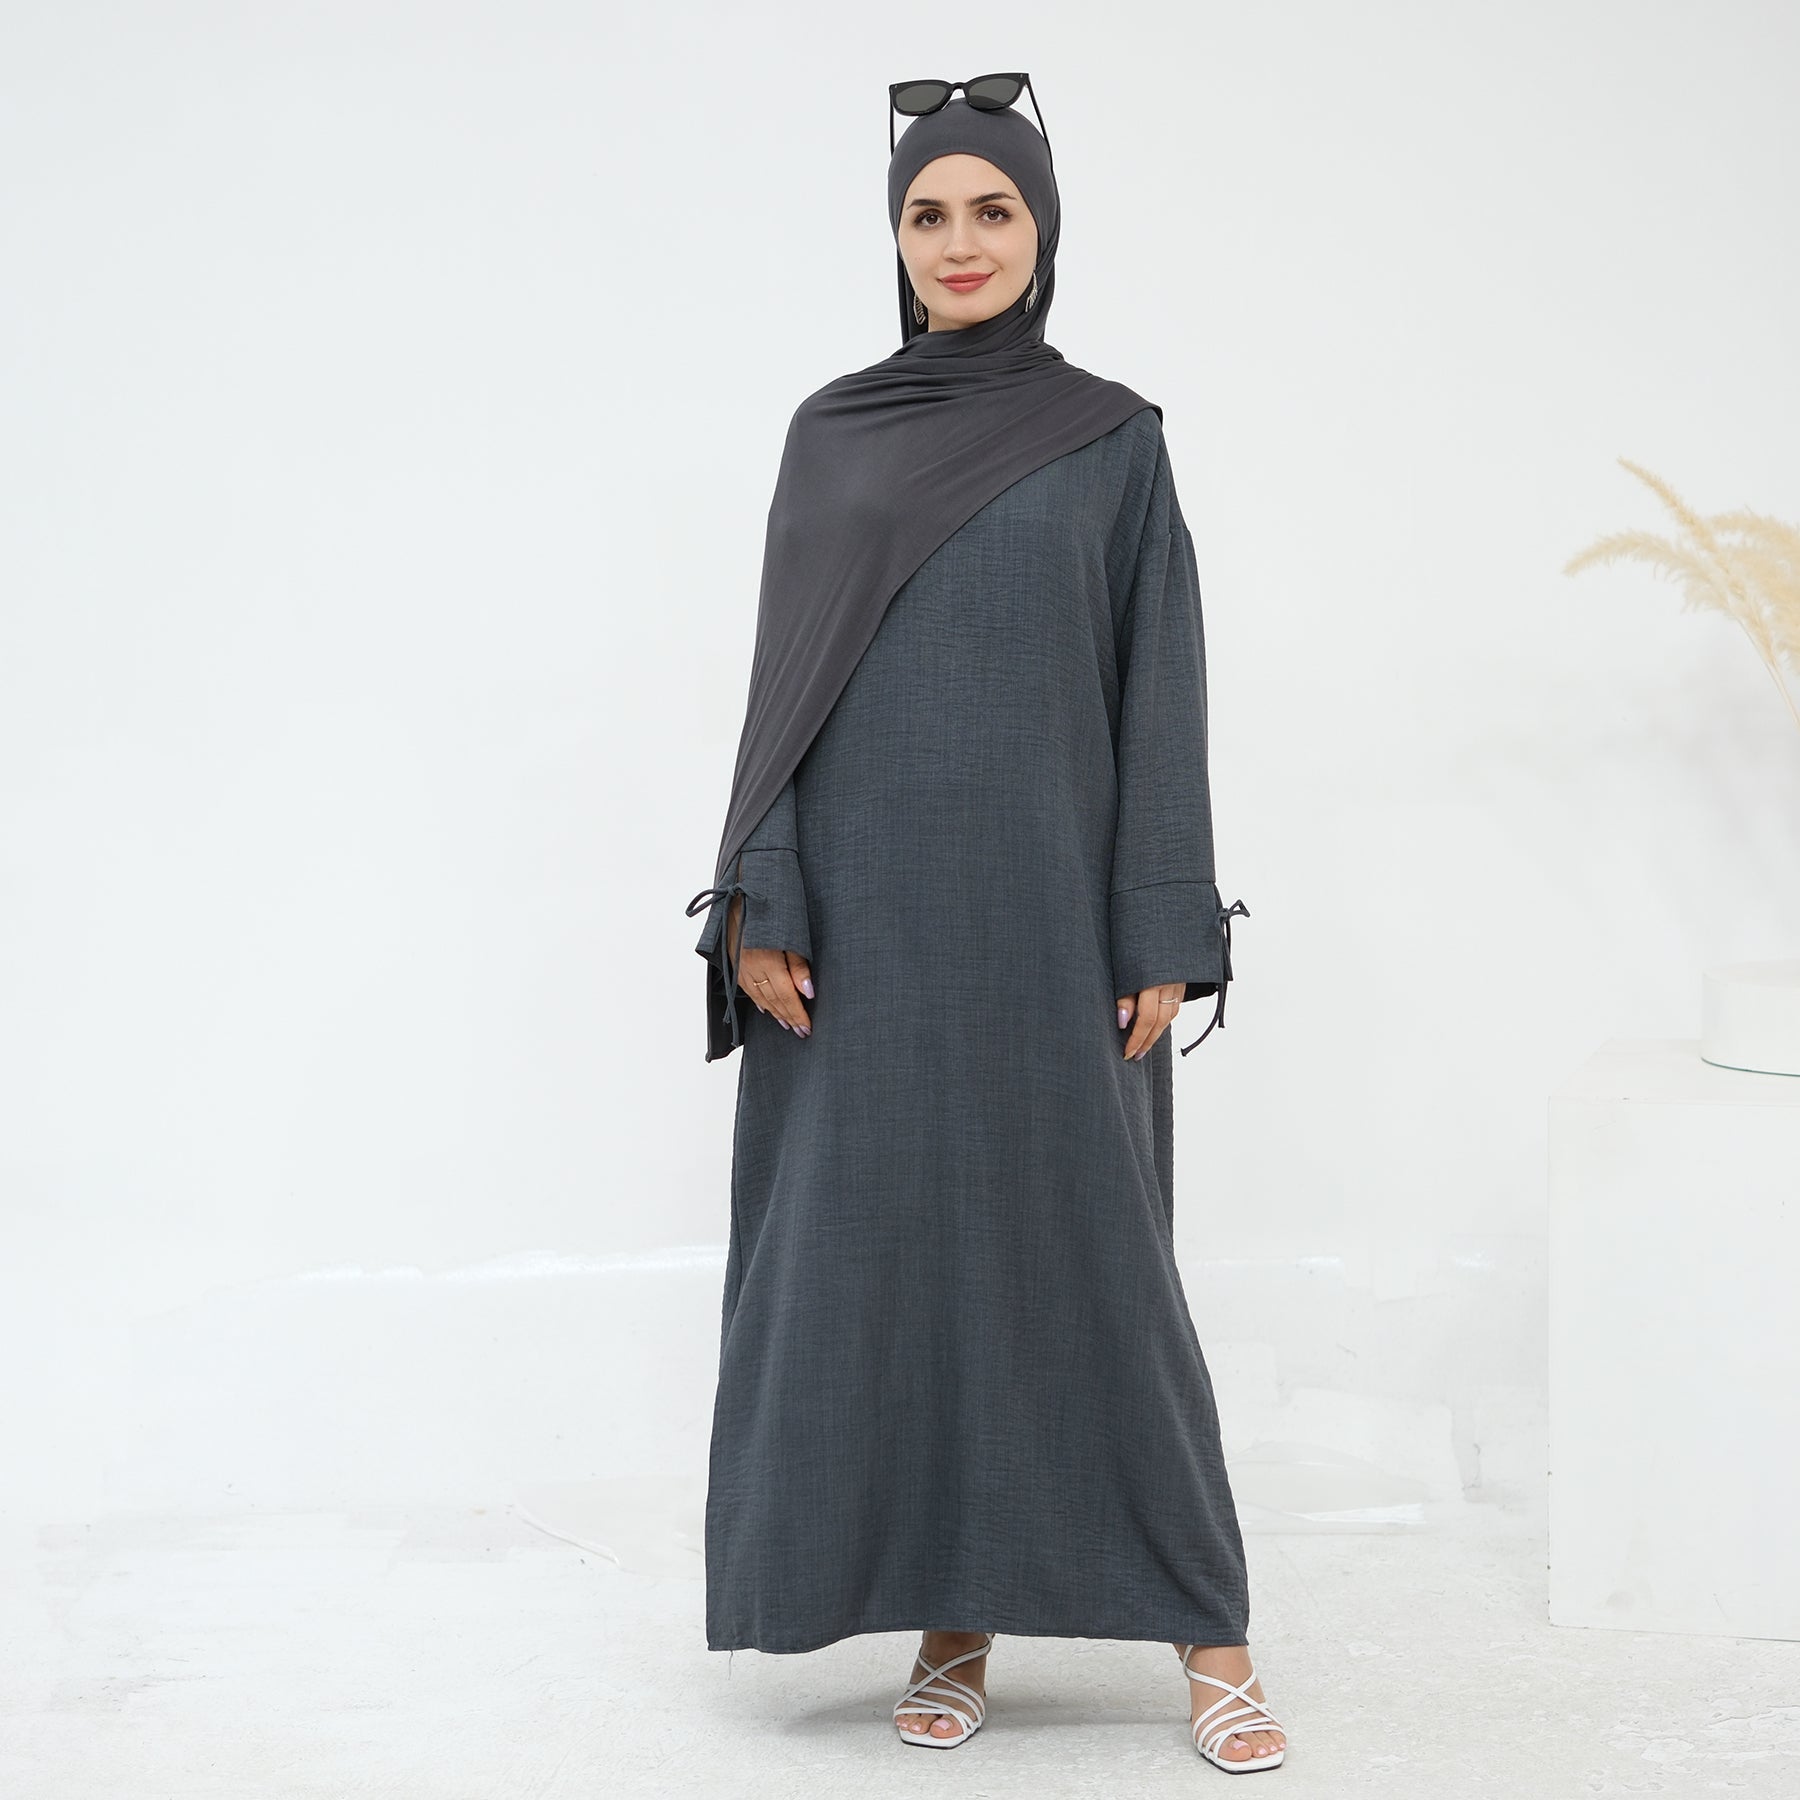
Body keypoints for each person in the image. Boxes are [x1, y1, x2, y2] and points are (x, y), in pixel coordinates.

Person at [683, 75, 1285, 1772]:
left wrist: (1159, 921)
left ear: (1042, 227)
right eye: (928, 213)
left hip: (1049, 930)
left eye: (993, 210)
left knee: (1095, 1270)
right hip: (859, 940)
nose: (961, 242)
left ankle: (1211, 1634)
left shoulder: (1112, 440)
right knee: (893, 1268)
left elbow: (1160, 687)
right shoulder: (834, 433)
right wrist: (764, 892)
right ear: (894, 237)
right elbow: (782, 689)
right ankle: (954, 1619)